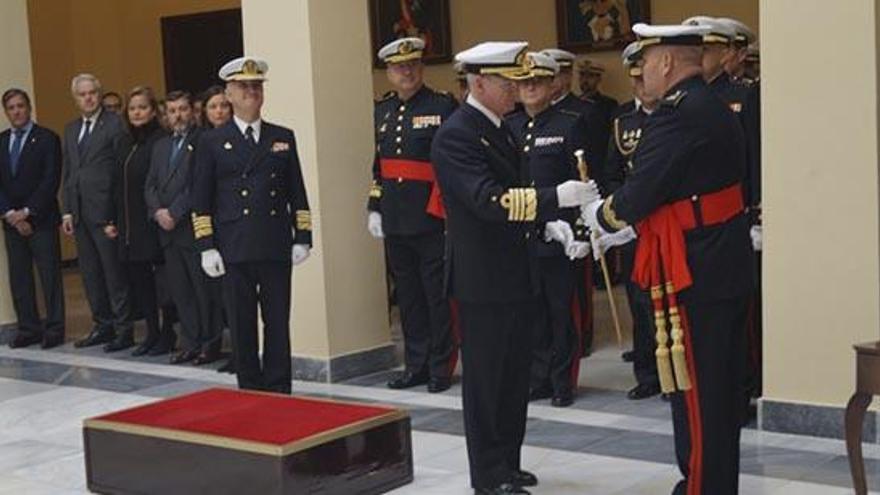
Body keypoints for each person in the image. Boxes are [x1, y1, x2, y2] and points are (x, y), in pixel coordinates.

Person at [584, 23, 754, 495]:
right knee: (715, 393)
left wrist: (599, 216)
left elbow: (641, 191)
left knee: (700, 395)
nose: (642, 73)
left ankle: (703, 486)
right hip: (719, 262)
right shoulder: (710, 105)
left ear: (665, 63)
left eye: (646, 63)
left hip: (697, 268)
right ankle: (708, 481)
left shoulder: (677, 114)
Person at [432, 41, 600, 494]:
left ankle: (508, 461)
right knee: (487, 383)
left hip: (516, 270)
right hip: (483, 279)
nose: (516, 89)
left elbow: (515, 197)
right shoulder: (456, 133)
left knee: (513, 378)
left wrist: (548, 227)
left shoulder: (500, 127)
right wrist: (555, 200)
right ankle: (487, 476)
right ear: (480, 82)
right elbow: (488, 200)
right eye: (508, 81)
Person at [192, 57, 312, 394]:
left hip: (274, 244)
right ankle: (250, 389)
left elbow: (297, 191)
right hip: (233, 246)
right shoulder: (212, 142)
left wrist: (302, 236)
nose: (252, 92)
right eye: (244, 87)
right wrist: (206, 245)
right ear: (228, 94)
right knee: (242, 326)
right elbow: (201, 198)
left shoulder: (282, 136)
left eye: (257, 86)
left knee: (277, 324)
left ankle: (278, 388)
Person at [368, 37, 458, 393]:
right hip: (395, 218)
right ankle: (415, 365)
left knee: (436, 296)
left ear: (421, 67)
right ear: (389, 73)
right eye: (398, 67)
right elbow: (379, 167)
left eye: (412, 65)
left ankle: (440, 367)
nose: (406, 71)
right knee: (407, 297)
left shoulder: (442, 105)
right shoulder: (382, 111)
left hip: (431, 216)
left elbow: (451, 162)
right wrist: (374, 205)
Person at [506, 52, 593, 408]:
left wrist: (584, 232)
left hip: (560, 235)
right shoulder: (508, 126)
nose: (530, 88)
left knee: (561, 312)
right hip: (522, 236)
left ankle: (562, 381)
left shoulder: (570, 123)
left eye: (537, 81)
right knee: (531, 313)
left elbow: (586, 182)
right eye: (523, 82)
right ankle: (537, 378)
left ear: (551, 83)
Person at [146, 90, 223, 364]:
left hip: (190, 226)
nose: (177, 115)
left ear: (193, 111)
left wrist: (175, 212)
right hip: (166, 231)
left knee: (204, 291)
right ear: (166, 115)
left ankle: (210, 344)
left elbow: (198, 184)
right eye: (172, 110)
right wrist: (158, 212)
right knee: (181, 292)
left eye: (182, 109)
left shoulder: (203, 140)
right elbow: (151, 184)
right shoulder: (160, 146)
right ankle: (190, 341)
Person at [603, 42, 661, 400]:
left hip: (666, 224)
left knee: (665, 301)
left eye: (646, 78)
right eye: (636, 80)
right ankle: (647, 374)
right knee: (638, 301)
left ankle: (672, 374)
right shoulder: (623, 120)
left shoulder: (673, 115)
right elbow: (611, 174)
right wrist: (620, 211)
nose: (642, 87)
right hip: (633, 226)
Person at [61, 73, 133, 350]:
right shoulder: (70, 129)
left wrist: (114, 215)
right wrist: (67, 211)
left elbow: (119, 171)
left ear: (99, 94)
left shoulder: (115, 125)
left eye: (92, 92)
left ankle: (123, 328)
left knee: (113, 274)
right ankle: (102, 325)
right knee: (90, 274)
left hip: (105, 213)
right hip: (79, 213)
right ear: (76, 98)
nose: (88, 98)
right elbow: (69, 172)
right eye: (82, 94)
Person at [0, 88, 65, 349]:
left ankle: (54, 328)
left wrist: (27, 212)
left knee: (49, 277)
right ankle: (28, 328)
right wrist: (11, 215)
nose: (16, 111)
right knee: (20, 277)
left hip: (42, 220)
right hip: (10, 222)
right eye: (11, 108)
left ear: (29, 108)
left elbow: (50, 181)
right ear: (6, 112)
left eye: (20, 106)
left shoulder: (48, 138)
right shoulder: (1, 141)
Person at [103, 86, 164, 353]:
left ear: (153, 110)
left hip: (151, 223)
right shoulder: (125, 141)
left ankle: (167, 334)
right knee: (139, 283)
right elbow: (116, 184)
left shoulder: (160, 140)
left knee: (161, 285)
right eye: (133, 108)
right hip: (128, 225)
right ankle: (151, 333)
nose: (137, 112)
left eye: (142, 107)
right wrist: (110, 219)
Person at [197, 83, 234, 374]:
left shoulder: (239, 136)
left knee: (236, 296)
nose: (219, 111)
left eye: (223, 104)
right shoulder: (203, 141)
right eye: (213, 106)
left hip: (234, 226)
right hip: (211, 227)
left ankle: (241, 351)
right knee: (217, 295)